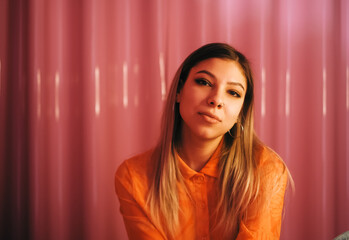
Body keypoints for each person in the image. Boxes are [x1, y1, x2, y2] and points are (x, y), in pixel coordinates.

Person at [115, 43, 292, 239]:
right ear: (179, 91)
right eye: (204, 82)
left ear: (240, 113)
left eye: (233, 93)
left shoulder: (265, 170)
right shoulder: (133, 177)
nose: (216, 99)